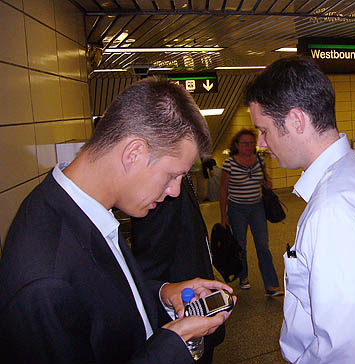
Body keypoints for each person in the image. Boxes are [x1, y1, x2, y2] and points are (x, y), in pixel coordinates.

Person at [0, 78, 234, 364]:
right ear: (134, 153)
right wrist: (170, 348)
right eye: (172, 175)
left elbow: (100, 298)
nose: (174, 191)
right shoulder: (44, 281)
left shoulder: (76, 208)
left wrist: (162, 294)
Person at [243, 55, 355, 363]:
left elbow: (346, 351)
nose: (260, 143)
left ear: (296, 121)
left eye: (263, 130)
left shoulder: (334, 209)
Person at [130, 174, 225, 364]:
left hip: (192, 300)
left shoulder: (177, 178)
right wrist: (163, 296)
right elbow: (149, 261)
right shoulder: (163, 189)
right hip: (179, 316)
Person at [220, 128, 283, 296]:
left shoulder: (260, 161)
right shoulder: (229, 163)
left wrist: (267, 182)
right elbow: (223, 190)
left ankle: (271, 285)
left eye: (251, 143)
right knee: (241, 245)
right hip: (237, 209)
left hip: (257, 208)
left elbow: (266, 182)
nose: (248, 146)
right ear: (237, 145)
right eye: (245, 143)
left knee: (263, 245)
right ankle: (243, 276)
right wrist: (223, 216)